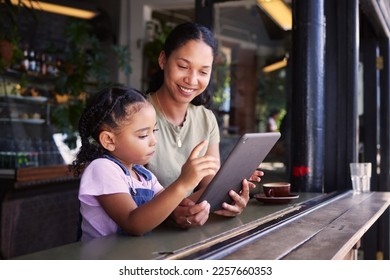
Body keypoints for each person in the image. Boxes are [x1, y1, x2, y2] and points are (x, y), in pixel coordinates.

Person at [145, 22, 264, 228]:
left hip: (186, 237)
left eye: (203, 71)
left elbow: (208, 189)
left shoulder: (206, 119)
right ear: (163, 60)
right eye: (183, 67)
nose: (192, 79)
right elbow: (129, 195)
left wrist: (230, 195)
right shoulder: (136, 115)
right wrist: (173, 211)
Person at [71, 87, 219, 241]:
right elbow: (133, 223)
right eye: (143, 135)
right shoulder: (101, 169)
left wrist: (215, 186)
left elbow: (173, 207)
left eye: (154, 131)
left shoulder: (143, 174)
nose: (154, 141)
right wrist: (184, 182)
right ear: (109, 140)